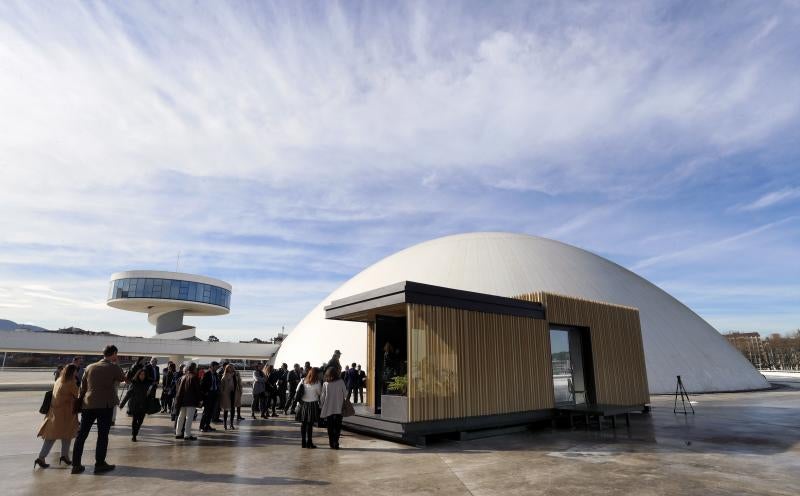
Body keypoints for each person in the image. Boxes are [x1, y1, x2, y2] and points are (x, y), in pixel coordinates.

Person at [71, 345, 128, 475]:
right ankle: (100, 463)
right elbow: (125, 379)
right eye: (116, 354)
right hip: (105, 405)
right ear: (113, 354)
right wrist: (117, 364)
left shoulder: (90, 367)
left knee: (82, 435)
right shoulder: (113, 367)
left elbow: (83, 387)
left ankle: (76, 464)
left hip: (88, 404)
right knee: (102, 436)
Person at [35, 364, 79, 468]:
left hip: (54, 413)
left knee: (56, 436)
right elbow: (78, 395)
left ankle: (63, 456)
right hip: (65, 414)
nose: (77, 373)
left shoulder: (59, 380)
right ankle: (42, 458)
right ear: (73, 372)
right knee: (62, 436)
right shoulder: (71, 382)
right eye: (76, 371)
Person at [119, 368, 151, 442]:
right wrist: (122, 404)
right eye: (141, 374)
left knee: (140, 421)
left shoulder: (147, 383)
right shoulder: (134, 383)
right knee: (134, 420)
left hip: (143, 405)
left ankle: (136, 431)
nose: (142, 376)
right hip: (135, 404)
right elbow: (128, 395)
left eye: (144, 374)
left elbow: (150, 395)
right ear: (138, 375)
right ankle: (134, 435)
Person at [320, 366, 348, 450]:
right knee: (337, 426)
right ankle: (336, 442)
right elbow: (345, 394)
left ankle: (331, 443)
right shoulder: (341, 382)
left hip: (329, 409)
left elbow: (322, 397)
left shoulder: (325, 383)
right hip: (339, 408)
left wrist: (321, 406)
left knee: (330, 427)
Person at [295, 367, 322, 448]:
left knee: (303, 424)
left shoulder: (303, 380)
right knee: (310, 425)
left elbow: (297, 390)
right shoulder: (317, 383)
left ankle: (303, 442)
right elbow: (320, 393)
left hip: (303, 404)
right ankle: (309, 442)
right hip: (312, 404)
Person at [174, 362, 201, 440]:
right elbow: (197, 390)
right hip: (191, 401)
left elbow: (178, 389)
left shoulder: (182, 377)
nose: (196, 369)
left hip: (182, 400)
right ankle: (187, 434)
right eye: (195, 368)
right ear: (193, 368)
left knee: (181, 417)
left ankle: (178, 433)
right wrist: (200, 400)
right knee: (189, 418)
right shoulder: (194, 377)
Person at [199, 362, 220, 432]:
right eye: (216, 367)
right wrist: (205, 393)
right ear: (212, 366)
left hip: (214, 394)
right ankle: (201, 426)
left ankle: (207, 425)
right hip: (208, 395)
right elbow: (202, 385)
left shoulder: (216, 374)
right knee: (206, 412)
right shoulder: (206, 374)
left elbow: (217, 383)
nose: (217, 368)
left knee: (211, 412)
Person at [220, 364, 238, 430]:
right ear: (227, 369)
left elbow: (237, 384)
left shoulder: (234, 375)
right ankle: (225, 424)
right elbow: (221, 387)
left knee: (233, 410)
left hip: (233, 394)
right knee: (226, 410)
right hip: (226, 395)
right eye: (229, 368)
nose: (231, 369)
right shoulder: (224, 376)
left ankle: (231, 424)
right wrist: (223, 393)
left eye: (232, 368)